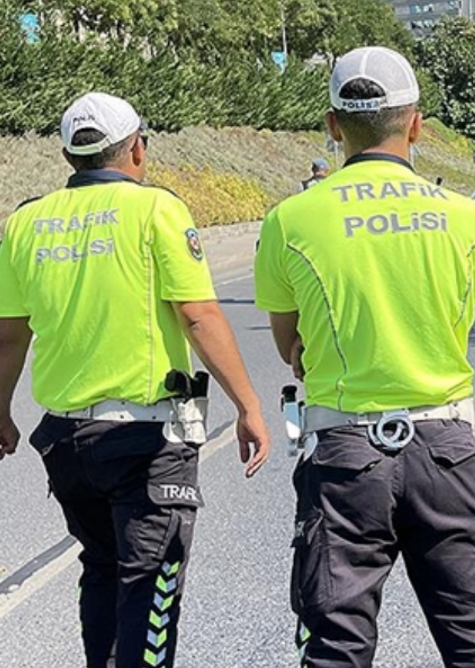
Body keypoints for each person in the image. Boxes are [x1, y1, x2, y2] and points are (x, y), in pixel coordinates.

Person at [254, 47, 475, 668]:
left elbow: (291, 347)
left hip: (344, 458)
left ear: (333, 125)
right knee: (473, 640)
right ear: (416, 123)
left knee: (337, 646)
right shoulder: (462, 217)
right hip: (446, 449)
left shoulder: (290, 219)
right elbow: (458, 320)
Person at [0, 92, 271, 668]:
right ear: (137, 149)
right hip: (146, 440)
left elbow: (9, 334)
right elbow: (198, 315)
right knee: (151, 581)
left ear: (70, 156)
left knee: (101, 569)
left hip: (66, 441)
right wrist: (248, 405)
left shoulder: (25, 223)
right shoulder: (156, 211)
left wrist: (0, 411)